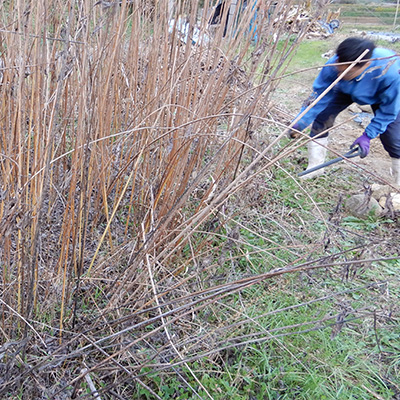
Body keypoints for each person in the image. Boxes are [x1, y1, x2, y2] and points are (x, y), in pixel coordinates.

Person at [288, 37, 400, 183]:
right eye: (339, 71)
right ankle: (315, 167)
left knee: (392, 137)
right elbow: (319, 95)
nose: (341, 74)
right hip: (344, 90)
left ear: (366, 64)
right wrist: (301, 121)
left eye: (347, 73)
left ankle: (398, 181)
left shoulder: (391, 73)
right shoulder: (335, 65)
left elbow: (388, 111)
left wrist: (367, 136)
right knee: (323, 117)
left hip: (382, 96)